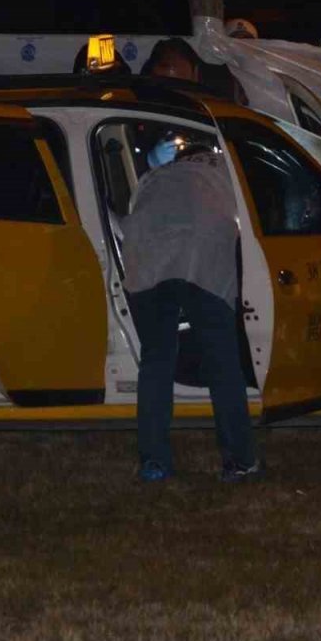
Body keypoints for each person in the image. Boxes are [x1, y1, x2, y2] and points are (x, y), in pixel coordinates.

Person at [120, 141, 260, 483]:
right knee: (222, 362)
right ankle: (239, 461)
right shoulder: (226, 168)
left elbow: (134, 211)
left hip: (145, 251)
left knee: (156, 361)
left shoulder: (155, 176)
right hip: (203, 250)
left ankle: (154, 462)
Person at [141, 37, 249, 105]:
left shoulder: (224, 90)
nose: (175, 93)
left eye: (181, 85)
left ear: (196, 72)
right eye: (165, 85)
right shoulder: (144, 87)